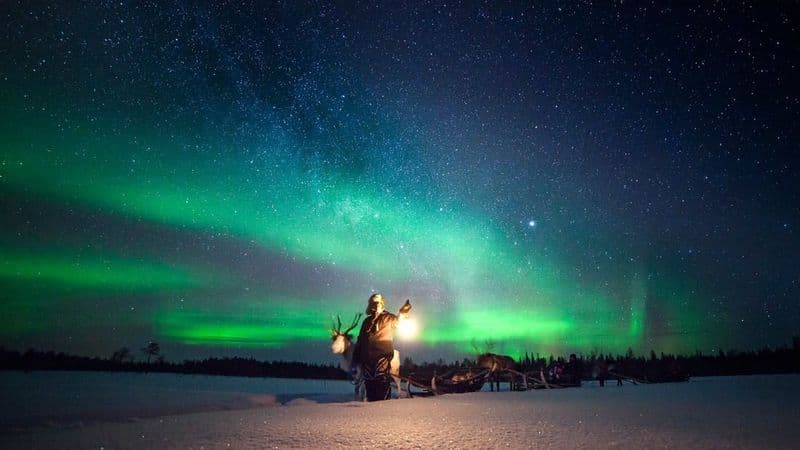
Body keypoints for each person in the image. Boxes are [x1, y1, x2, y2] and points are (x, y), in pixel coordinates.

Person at [352, 293, 411, 401]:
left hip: (381, 357)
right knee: (370, 390)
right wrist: (354, 362)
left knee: (382, 386)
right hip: (367, 361)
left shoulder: (388, 318)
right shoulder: (366, 322)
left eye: (378, 302)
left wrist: (403, 313)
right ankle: (371, 416)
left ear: (382, 304)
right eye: (373, 303)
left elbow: (398, 321)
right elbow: (359, 342)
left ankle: (382, 413)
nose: (376, 305)